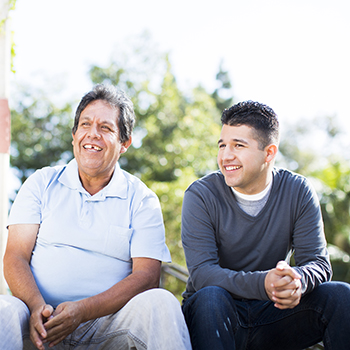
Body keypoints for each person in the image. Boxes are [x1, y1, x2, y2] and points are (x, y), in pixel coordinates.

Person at [0, 84, 192, 350]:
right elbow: (15, 257)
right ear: (74, 134)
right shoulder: (41, 183)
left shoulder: (142, 198)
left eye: (105, 128)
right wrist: (36, 306)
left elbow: (147, 277)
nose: (93, 134)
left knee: (162, 302)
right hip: (38, 319)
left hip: (108, 326)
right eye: (85, 124)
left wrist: (82, 311)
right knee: (2, 309)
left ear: (124, 143)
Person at [181, 100, 350, 350]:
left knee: (341, 296)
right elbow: (203, 274)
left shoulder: (298, 190)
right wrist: (264, 284)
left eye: (238, 145)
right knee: (211, 296)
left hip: (274, 315)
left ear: (269, 152)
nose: (226, 156)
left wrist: (297, 280)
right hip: (214, 317)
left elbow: (318, 263)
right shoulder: (201, 195)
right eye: (222, 145)